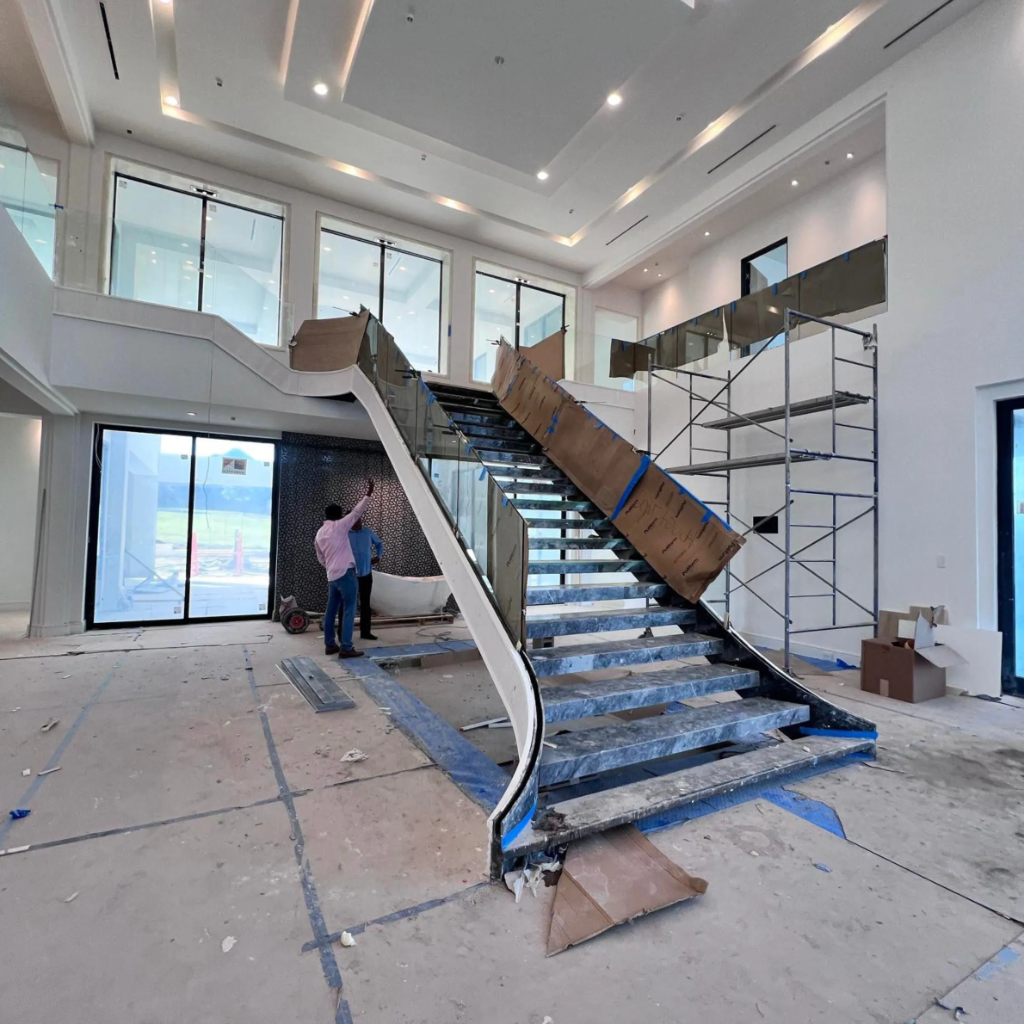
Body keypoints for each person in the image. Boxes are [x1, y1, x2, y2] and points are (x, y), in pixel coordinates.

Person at [314, 479, 374, 658]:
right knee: (349, 610)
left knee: (331, 610)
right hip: (346, 574)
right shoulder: (340, 526)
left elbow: (320, 557)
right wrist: (368, 493)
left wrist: (331, 567)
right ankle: (346, 647)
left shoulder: (319, 533)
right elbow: (357, 512)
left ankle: (330, 645)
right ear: (339, 515)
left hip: (332, 576)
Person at [349, 517, 384, 641]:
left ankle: (365, 632)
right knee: (348, 605)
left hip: (366, 574)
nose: (358, 523)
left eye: (359, 520)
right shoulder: (345, 534)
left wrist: (379, 556)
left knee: (365, 604)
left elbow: (379, 543)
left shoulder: (367, 532)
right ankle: (344, 634)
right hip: (350, 575)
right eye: (355, 521)